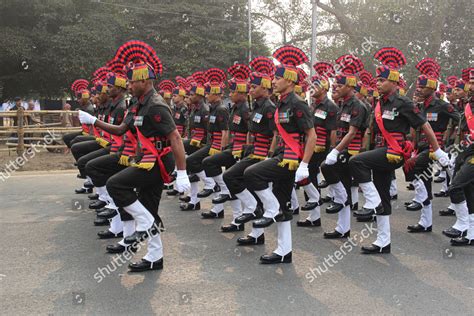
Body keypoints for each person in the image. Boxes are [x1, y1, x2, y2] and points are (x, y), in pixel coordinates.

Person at [79, 40, 190, 271]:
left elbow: (176, 138)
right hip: (145, 160)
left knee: (116, 184)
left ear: (143, 80)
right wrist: (93, 121)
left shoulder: (157, 105)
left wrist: (182, 173)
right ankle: (154, 257)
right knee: (149, 206)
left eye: (131, 81)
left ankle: (146, 223)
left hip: (157, 162)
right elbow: (122, 130)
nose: (128, 84)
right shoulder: (138, 105)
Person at [350, 47, 448, 254]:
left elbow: (424, 126)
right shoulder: (379, 103)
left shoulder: (403, 102)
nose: (378, 83)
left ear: (394, 82)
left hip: (393, 153)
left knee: (356, 162)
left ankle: (371, 201)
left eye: (382, 80)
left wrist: (438, 151)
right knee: (384, 194)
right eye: (377, 80)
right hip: (381, 151)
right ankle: (383, 242)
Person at [244, 45, 316, 264]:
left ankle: (270, 207)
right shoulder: (280, 103)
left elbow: (311, 136)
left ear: (290, 81)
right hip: (282, 156)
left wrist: (304, 164)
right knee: (284, 204)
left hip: (291, 160)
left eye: (277, 78)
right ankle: (284, 251)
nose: (273, 81)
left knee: (251, 174)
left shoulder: (297, 103)